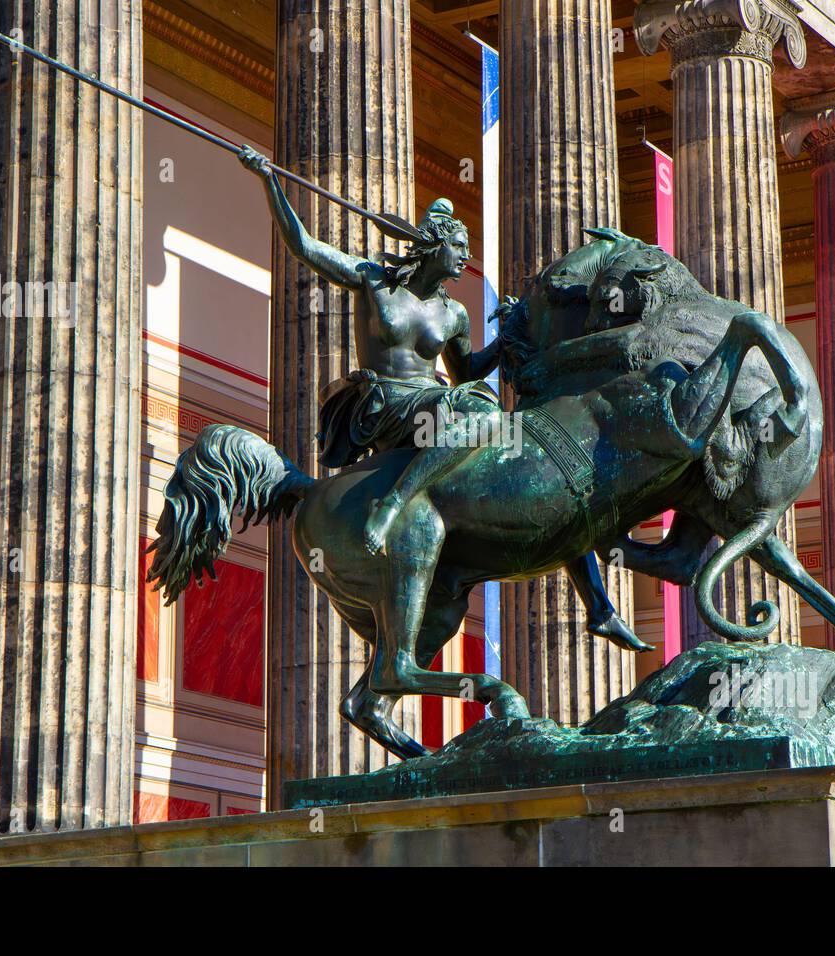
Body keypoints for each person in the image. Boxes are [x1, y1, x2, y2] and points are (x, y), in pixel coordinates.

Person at [240, 145, 648, 652]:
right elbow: (303, 246)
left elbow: (466, 369)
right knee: (478, 412)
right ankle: (392, 504)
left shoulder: (454, 314)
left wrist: (508, 338)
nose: (465, 257)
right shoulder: (374, 283)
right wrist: (268, 180)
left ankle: (599, 608)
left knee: (540, 464)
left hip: (431, 403)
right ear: (433, 246)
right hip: (385, 403)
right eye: (459, 246)